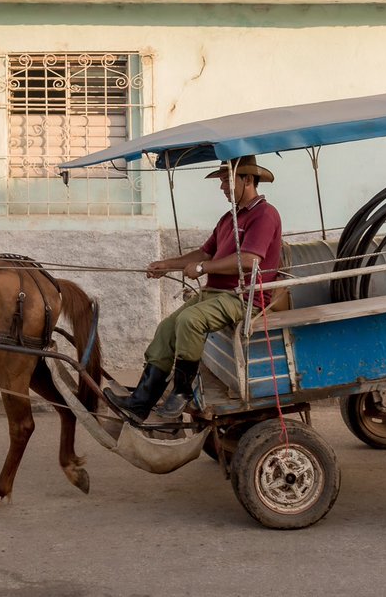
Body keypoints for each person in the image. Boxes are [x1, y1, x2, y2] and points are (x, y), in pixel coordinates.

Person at [106, 155, 283, 421]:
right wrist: (169, 264)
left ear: (247, 180)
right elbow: (204, 252)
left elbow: (250, 261)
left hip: (244, 298)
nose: (222, 187)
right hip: (217, 294)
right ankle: (141, 401)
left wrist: (203, 269)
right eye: (222, 181)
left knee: (189, 321)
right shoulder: (229, 219)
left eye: (226, 180)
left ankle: (181, 391)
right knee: (167, 327)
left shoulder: (264, 214)